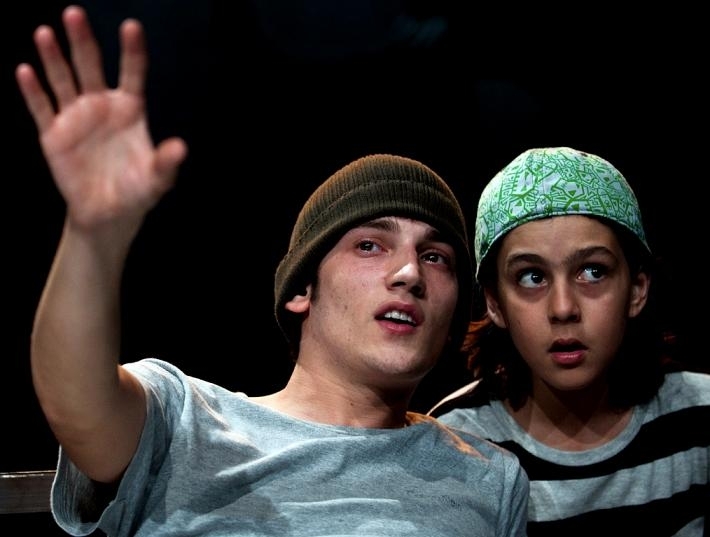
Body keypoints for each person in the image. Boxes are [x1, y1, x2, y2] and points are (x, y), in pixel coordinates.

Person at [16, 5, 529, 536]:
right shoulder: (182, 419)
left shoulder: (489, 480)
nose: (409, 273)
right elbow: (78, 405)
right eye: (370, 245)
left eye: (435, 256)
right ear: (301, 289)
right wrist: (92, 235)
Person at [429, 146, 710, 536]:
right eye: (532, 277)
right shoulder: (453, 443)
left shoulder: (700, 416)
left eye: (593, 271)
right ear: (494, 303)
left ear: (636, 289)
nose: (563, 308)